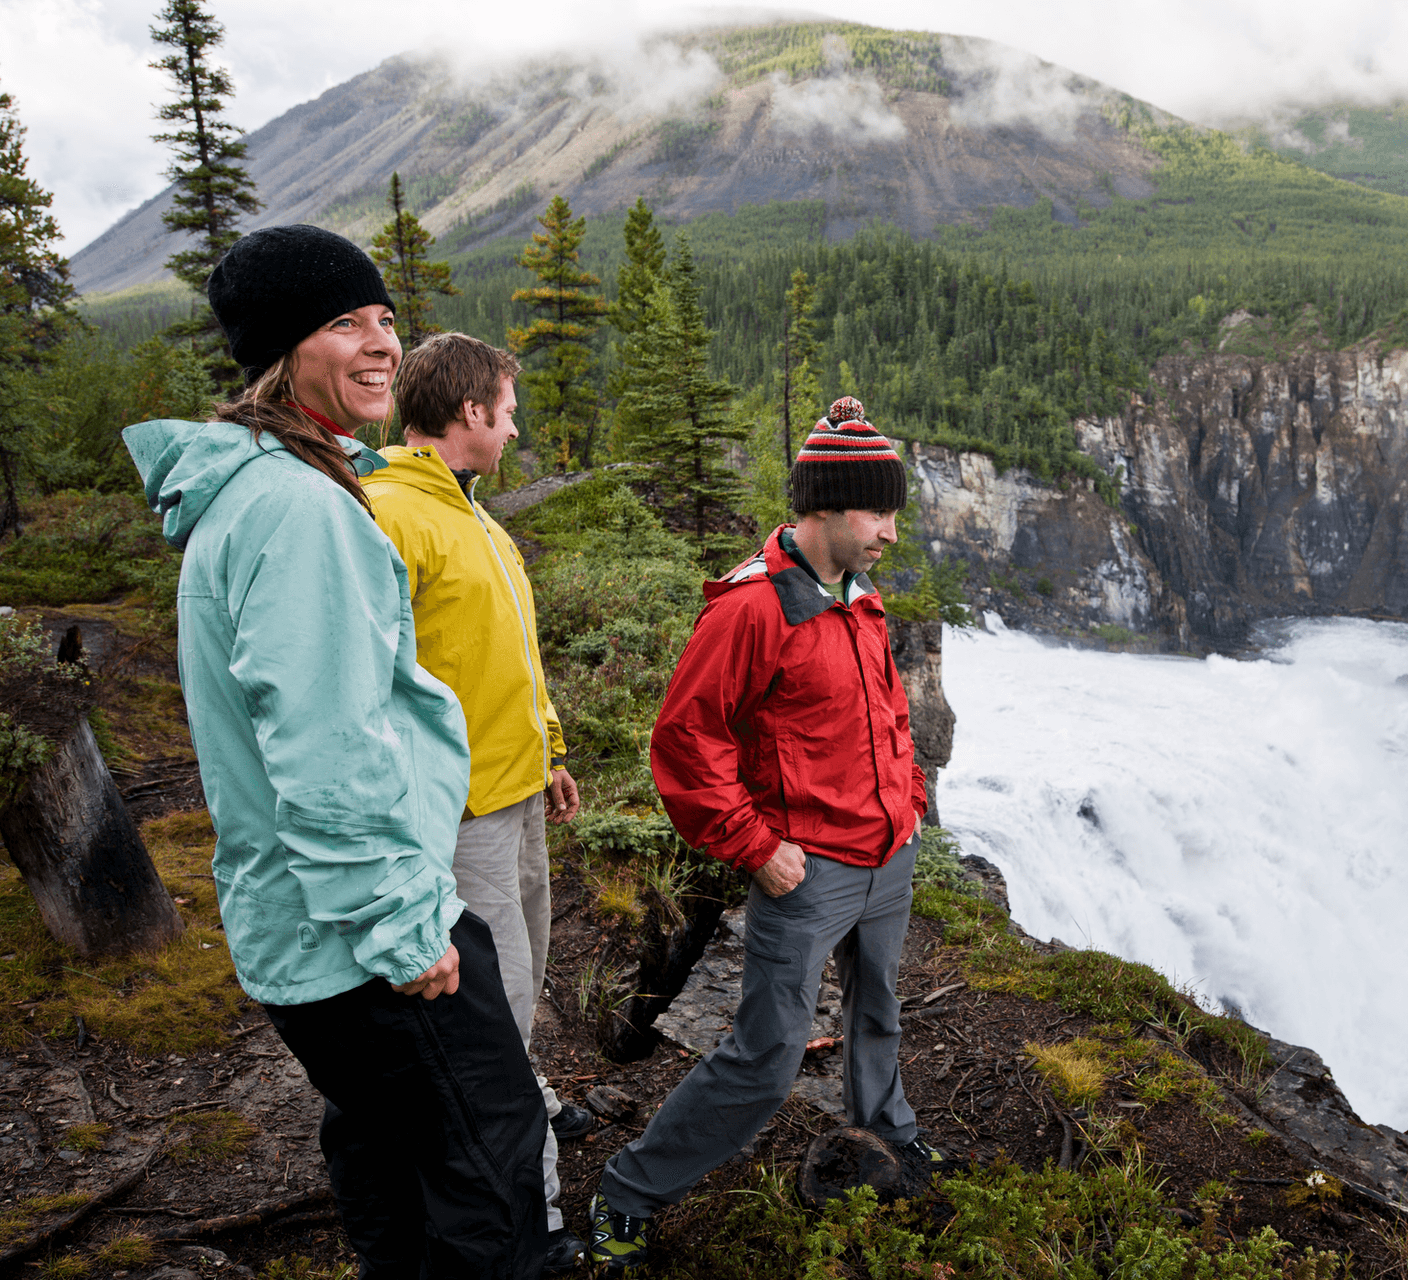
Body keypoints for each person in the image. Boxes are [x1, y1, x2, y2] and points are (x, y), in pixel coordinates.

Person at [121, 225, 549, 1280]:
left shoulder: (268, 489)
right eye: (342, 322)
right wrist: (407, 926)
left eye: (385, 319)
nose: (380, 344)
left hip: (307, 924)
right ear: (282, 349)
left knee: (384, 1152)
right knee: (493, 1168)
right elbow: (325, 745)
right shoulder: (299, 509)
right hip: (367, 928)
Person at [587, 397, 935, 1270]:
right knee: (766, 1056)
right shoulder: (752, 610)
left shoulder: (859, 595)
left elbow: (886, 708)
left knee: (879, 1010)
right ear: (822, 507)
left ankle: (890, 1139)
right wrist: (755, 848)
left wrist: (911, 798)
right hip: (806, 870)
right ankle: (627, 1192)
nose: (891, 532)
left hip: (888, 852)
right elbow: (684, 740)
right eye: (877, 512)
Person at [362, 332, 590, 1275]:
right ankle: (522, 1210)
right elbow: (369, 685)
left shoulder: (478, 520)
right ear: (470, 415)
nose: (515, 424)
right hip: (459, 815)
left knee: (522, 983)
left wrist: (553, 749)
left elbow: (506, 655)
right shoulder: (387, 515)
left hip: (519, 787)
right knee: (492, 1010)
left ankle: (528, 1101)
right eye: (508, 407)